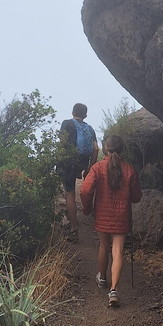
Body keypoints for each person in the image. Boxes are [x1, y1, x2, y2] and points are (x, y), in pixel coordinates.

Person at [80, 134, 142, 307]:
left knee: (103, 246)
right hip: (121, 217)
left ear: (105, 148)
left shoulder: (98, 168)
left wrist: (87, 209)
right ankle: (113, 290)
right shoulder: (129, 170)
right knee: (117, 251)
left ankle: (103, 278)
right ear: (122, 149)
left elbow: (85, 191)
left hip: (102, 215)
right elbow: (136, 197)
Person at [59, 103, 99, 241]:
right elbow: (96, 149)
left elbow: (62, 144)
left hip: (69, 163)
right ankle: (71, 217)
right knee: (70, 190)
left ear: (72, 113)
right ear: (85, 115)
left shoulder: (67, 124)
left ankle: (73, 228)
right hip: (82, 163)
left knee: (69, 193)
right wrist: (90, 167)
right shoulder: (90, 128)